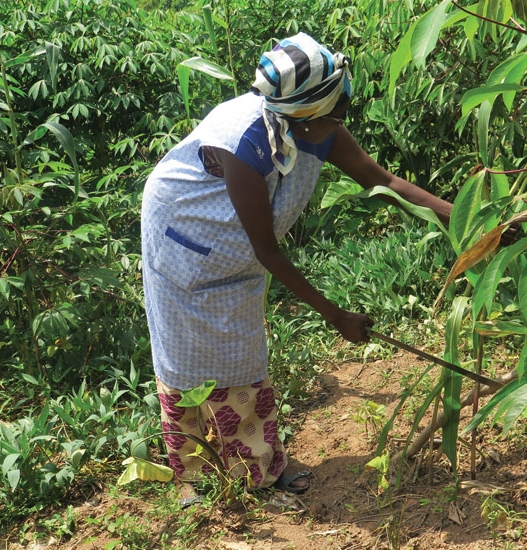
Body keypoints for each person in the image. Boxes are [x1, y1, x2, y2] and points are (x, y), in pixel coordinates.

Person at [140, 32, 452, 503]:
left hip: (233, 249)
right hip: (184, 236)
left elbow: (381, 181)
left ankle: (256, 467)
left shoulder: (314, 124)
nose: (341, 121)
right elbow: (268, 252)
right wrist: (335, 315)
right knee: (184, 360)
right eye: (336, 114)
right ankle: (195, 476)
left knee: (242, 356)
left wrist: (466, 219)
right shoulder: (244, 141)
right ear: (305, 116)